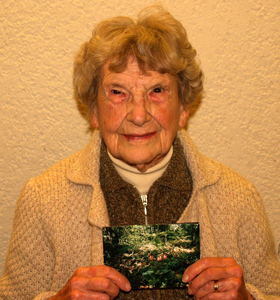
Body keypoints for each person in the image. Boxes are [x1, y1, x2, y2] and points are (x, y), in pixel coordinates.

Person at [0, 5, 279, 300]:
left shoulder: (240, 198)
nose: (138, 114)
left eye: (157, 91)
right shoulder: (42, 199)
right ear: (93, 110)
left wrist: (248, 299)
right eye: (118, 92)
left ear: (184, 107)